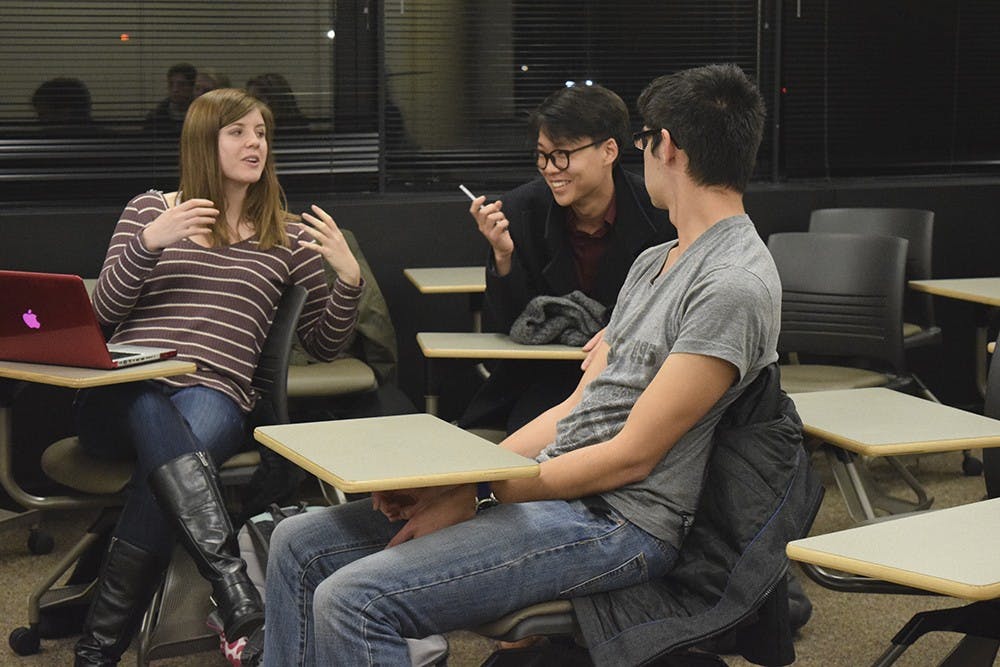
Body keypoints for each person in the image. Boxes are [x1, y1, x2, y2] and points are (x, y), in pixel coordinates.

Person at [258, 63, 777, 666]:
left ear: (666, 147)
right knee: (297, 541)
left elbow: (634, 454)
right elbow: (578, 407)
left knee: (355, 599)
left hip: (620, 521)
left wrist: (479, 493)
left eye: (643, 142)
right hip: (559, 492)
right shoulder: (658, 260)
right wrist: (462, 480)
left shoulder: (731, 284)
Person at [73, 88, 365, 666]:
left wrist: (349, 280)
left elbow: (325, 346)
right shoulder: (150, 210)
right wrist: (151, 243)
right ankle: (234, 590)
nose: (255, 142)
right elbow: (100, 316)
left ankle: (96, 650)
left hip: (214, 393)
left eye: (260, 133)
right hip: (121, 389)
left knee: (168, 452)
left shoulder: (283, 236)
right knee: (148, 401)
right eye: (239, 132)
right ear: (206, 141)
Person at [458, 83, 672, 434]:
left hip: (630, 380)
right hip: (542, 381)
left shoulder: (657, 211)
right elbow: (515, 325)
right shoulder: (520, 210)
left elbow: (667, 312)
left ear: (609, 151)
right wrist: (503, 255)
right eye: (543, 155)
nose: (550, 168)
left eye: (562, 155)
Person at [143, 62, 197, 136]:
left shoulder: (200, 116)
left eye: (181, 84)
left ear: (192, 87)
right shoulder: (156, 117)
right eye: (171, 84)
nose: (175, 89)